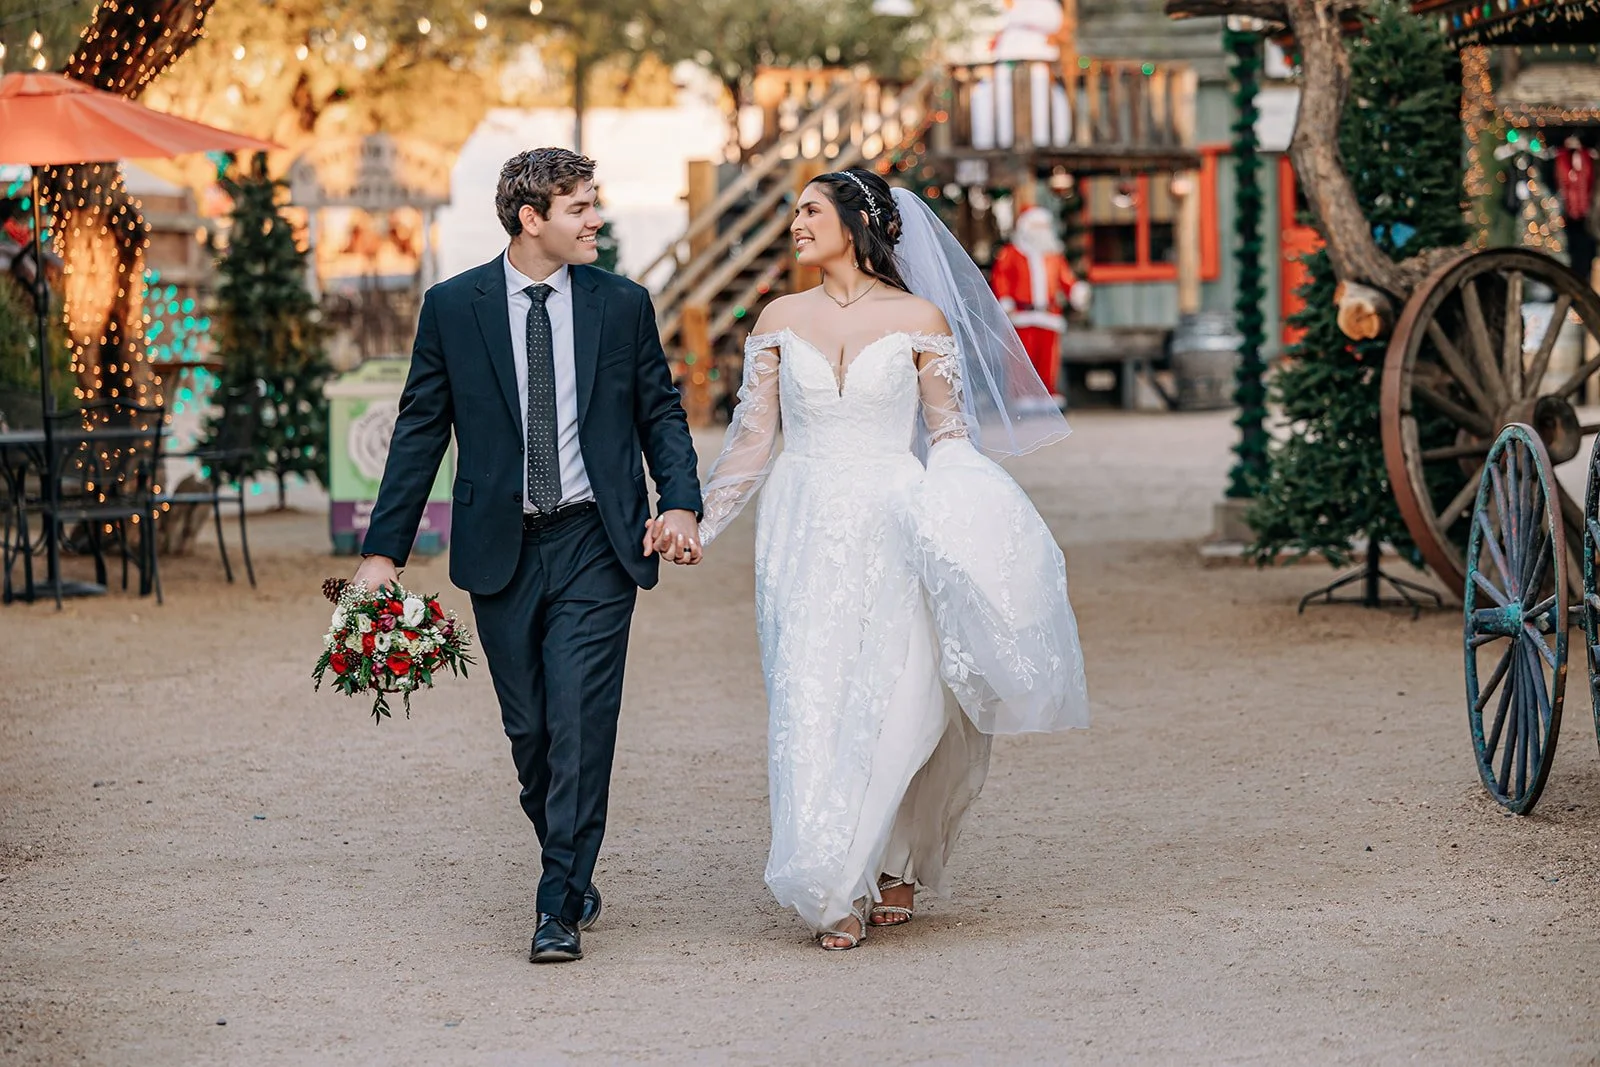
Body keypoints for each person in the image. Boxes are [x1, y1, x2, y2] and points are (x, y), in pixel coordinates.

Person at [691, 167, 1090, 951]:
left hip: (898, 514)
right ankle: (833, 877)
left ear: (856, 220)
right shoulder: (777, 315)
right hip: (802, 521)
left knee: (905, 688)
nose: (796, 223)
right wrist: (699, 526)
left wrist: (975, 527)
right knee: (812, 691)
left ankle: (886, 863)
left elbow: (948, 437)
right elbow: (751, 439)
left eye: (809, 210)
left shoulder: (920, 316)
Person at [353, 148, 704, 965]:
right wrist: (383, 553)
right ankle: (572, 860)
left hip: (596, 540)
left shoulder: (623, 304)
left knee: (580, 719)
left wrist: (678, 499)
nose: (596, 219)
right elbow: (418, 431)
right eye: (580, 206)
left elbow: (661, 411)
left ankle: (556, 905)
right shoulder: (453, 306)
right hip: (499, 547)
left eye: (596, 203)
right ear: (531, 218)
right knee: (533, 736)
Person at [990, 205, 1087, 406]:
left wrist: (1076, 291)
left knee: (1048, 357)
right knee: (1022, 358)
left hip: (1049, 314)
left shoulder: (1054, 255)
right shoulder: (1011, 253)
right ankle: (1023, 395)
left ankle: (1047, 393)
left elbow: (1065, 279)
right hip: (1022, 313)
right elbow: (1002, 278)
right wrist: (1005, 299)